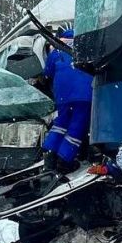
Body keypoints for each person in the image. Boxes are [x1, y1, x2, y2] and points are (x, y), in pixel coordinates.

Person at [38, 28, 94, 175]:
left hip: (62, 95)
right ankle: (64, 160)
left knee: (61, 123)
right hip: (84, 94)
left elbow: (47, 73)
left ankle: (50, 154)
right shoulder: (86, 46)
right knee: (77, 125)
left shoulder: (56, 48)